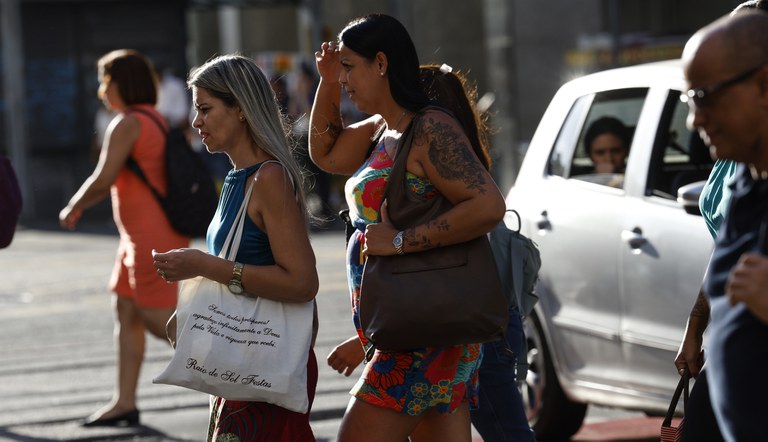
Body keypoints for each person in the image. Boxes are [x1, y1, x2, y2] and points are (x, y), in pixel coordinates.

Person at [309, 14, 506, 442]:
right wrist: (325, 81)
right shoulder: (384, 128)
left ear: (380, 63)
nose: (344, 79)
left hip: (425, 332)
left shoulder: (429, 128)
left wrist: (399, 241)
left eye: (348, 67)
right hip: (408, 323)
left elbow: (488, 205)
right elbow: (325, 154)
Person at [151, 54, 319, 441]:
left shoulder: (268, 178)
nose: (196, 123)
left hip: (266, 355)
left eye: (206, 109)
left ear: (240, 109)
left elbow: (302, 283)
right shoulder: (236, 178)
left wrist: (203, 266)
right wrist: (192, 312)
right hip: (245, 354)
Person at [59, 49, 190, 427]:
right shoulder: (155, 119)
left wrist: (74, 206)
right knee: (128, 312)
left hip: (149, 238)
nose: (102, 90)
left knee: (158, 319)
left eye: (106, 81)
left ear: (123, 83)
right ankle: (124, 403)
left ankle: (237, 381)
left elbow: (103, 177)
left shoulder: (129, 122)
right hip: (136, 237)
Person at [673, 2, 767, 441]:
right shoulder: (748, 179)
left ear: (764, 85)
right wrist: (697, 327)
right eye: (690, 100)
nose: (695, 121)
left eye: (706, 97)